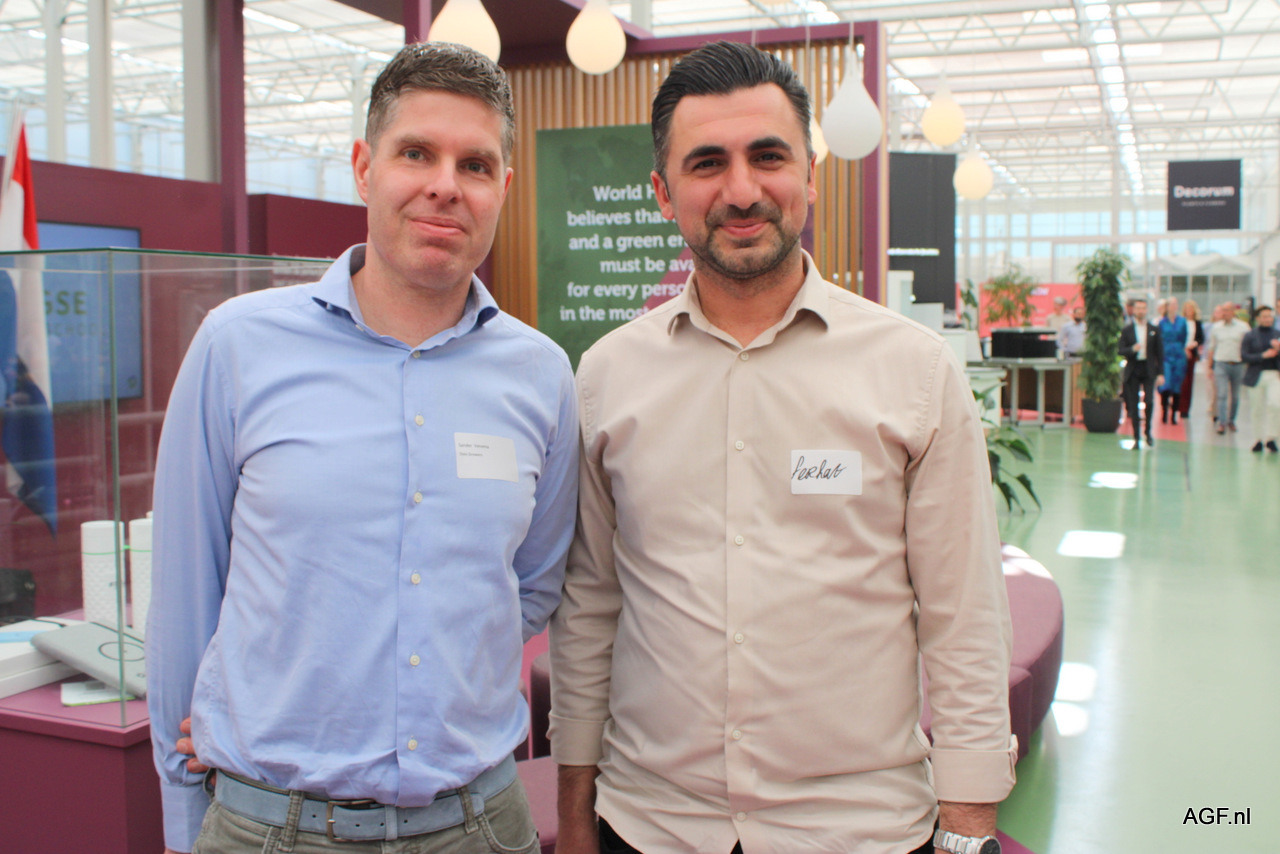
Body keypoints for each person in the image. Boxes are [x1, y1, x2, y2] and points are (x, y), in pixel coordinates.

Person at [549, 42, 1015, 854]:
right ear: (663, 192)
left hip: (858, 830)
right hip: (653, 825)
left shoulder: (911, 370)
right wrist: (575, 810)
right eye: (706, 163)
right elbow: (590, 604)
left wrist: (969, 827)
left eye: (768, 157)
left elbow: (965, 616)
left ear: (810, 175)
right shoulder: (609, 376)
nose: (741, 191)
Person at [147, 42, 579, 854]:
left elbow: (528, 584)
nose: (445, 184)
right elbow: (185, 593)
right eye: (416, 153)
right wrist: (182, 813)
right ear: (363, 168)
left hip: (478, 827)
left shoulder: (542, 375)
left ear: (503, 189)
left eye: (475, 164)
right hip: (270, 828)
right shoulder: (238, 346)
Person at [1120, 297, 1164, 448]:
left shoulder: (1154, 329)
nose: (1141, 311)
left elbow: (1159, 353)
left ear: (1146, 310)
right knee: (1133, 404)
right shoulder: (1127, 330)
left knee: (1149, 402)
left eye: (1143, 308)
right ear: (1133, 310)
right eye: (1138, 308)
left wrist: (1161, 373)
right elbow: (1121, 350)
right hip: (1133, 369)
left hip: (1149, 369)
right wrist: (1132, 349)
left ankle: (1148, 433)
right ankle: (1136, 437)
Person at [1241, 305, 1280, 453]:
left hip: (1274, 374)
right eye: (1264, 316)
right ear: (1258, 318)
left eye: (1270, 316)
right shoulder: (1250, 335)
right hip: (1256, 375)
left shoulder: (1277, 334)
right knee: (1257, 408)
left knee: (1275, 405)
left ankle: (1271, 438)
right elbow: (1244, 356)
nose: (1268, 319)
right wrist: (1263, 355)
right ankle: (1258, 439)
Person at [1207, 301, 1249, 434]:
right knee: (1222, 394)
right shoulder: (1216, 327)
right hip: (1221, 364)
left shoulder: (1243, 327)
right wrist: (1209, 367)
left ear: (1233, 311)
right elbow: (1212, 348)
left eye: (1227, 310)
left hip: (1237, 364)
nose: (1225, 313)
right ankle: (1222, 422)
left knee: (1235, 396)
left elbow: (1248, 346)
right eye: (1223, 310)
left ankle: (1232, 420)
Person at [1156, 296, 1187, 424]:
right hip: (1166, 356)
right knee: (1165, 384)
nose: (1173, 307)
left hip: (1179, 356)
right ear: (1167, 307)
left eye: (1175, 304)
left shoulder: (1182, 322)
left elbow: (1184, 338)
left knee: (1177, 385)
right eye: (1171, 304)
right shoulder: (1162, 323)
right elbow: (1159, 340)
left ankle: (1174, 414)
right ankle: (1164, 412)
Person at [1177, 299, 1204, 420]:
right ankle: (1177, 404)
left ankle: (1185, 408)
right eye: (1187, 308)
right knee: (1180, 380)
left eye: (1191, 308)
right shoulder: (1180, 322)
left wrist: (1194, 344)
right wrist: (1183, 349)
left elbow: (1201, 338)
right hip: (1180, 353)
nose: (1189, 311)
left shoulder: (1197, 323)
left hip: (1191, 353)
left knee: (1189, 381)